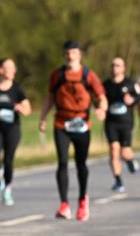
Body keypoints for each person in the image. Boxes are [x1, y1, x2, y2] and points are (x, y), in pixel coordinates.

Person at [38, 40, 107, 221]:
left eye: (74, 53)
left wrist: (101, 109)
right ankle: (64, 204)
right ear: (64, 55)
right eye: (67, 53)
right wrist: (43, 118)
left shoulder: (88, 75)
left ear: (80, 55)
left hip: (82, 123)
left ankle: (83, 199)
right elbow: (50, 97)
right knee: (62, 162)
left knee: (80, 163)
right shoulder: (57, 75)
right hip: (62, 123)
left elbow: (101, 97)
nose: (70, 56)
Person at [0, 58, 31, 206]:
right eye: (10, 68)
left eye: (14, 68)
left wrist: (20, 108)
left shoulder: (17, 88)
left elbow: (28, 109)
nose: (13, 71)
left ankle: (8, 190)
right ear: (1, 70)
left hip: (13, 128)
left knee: (9, 159)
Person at [102, 57, 140, 193]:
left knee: (125, 152)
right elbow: (98, 99)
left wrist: (133, 100)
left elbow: (139, 95)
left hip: (126, 122)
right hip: (111, 122)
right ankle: (118, 181)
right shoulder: (105, 85)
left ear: (123, 68)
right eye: (113, 65)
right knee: (114, 150)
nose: (115, 68)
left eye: (118, 66)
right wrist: (99, 108)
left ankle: (130, 161)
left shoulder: (130, 83)